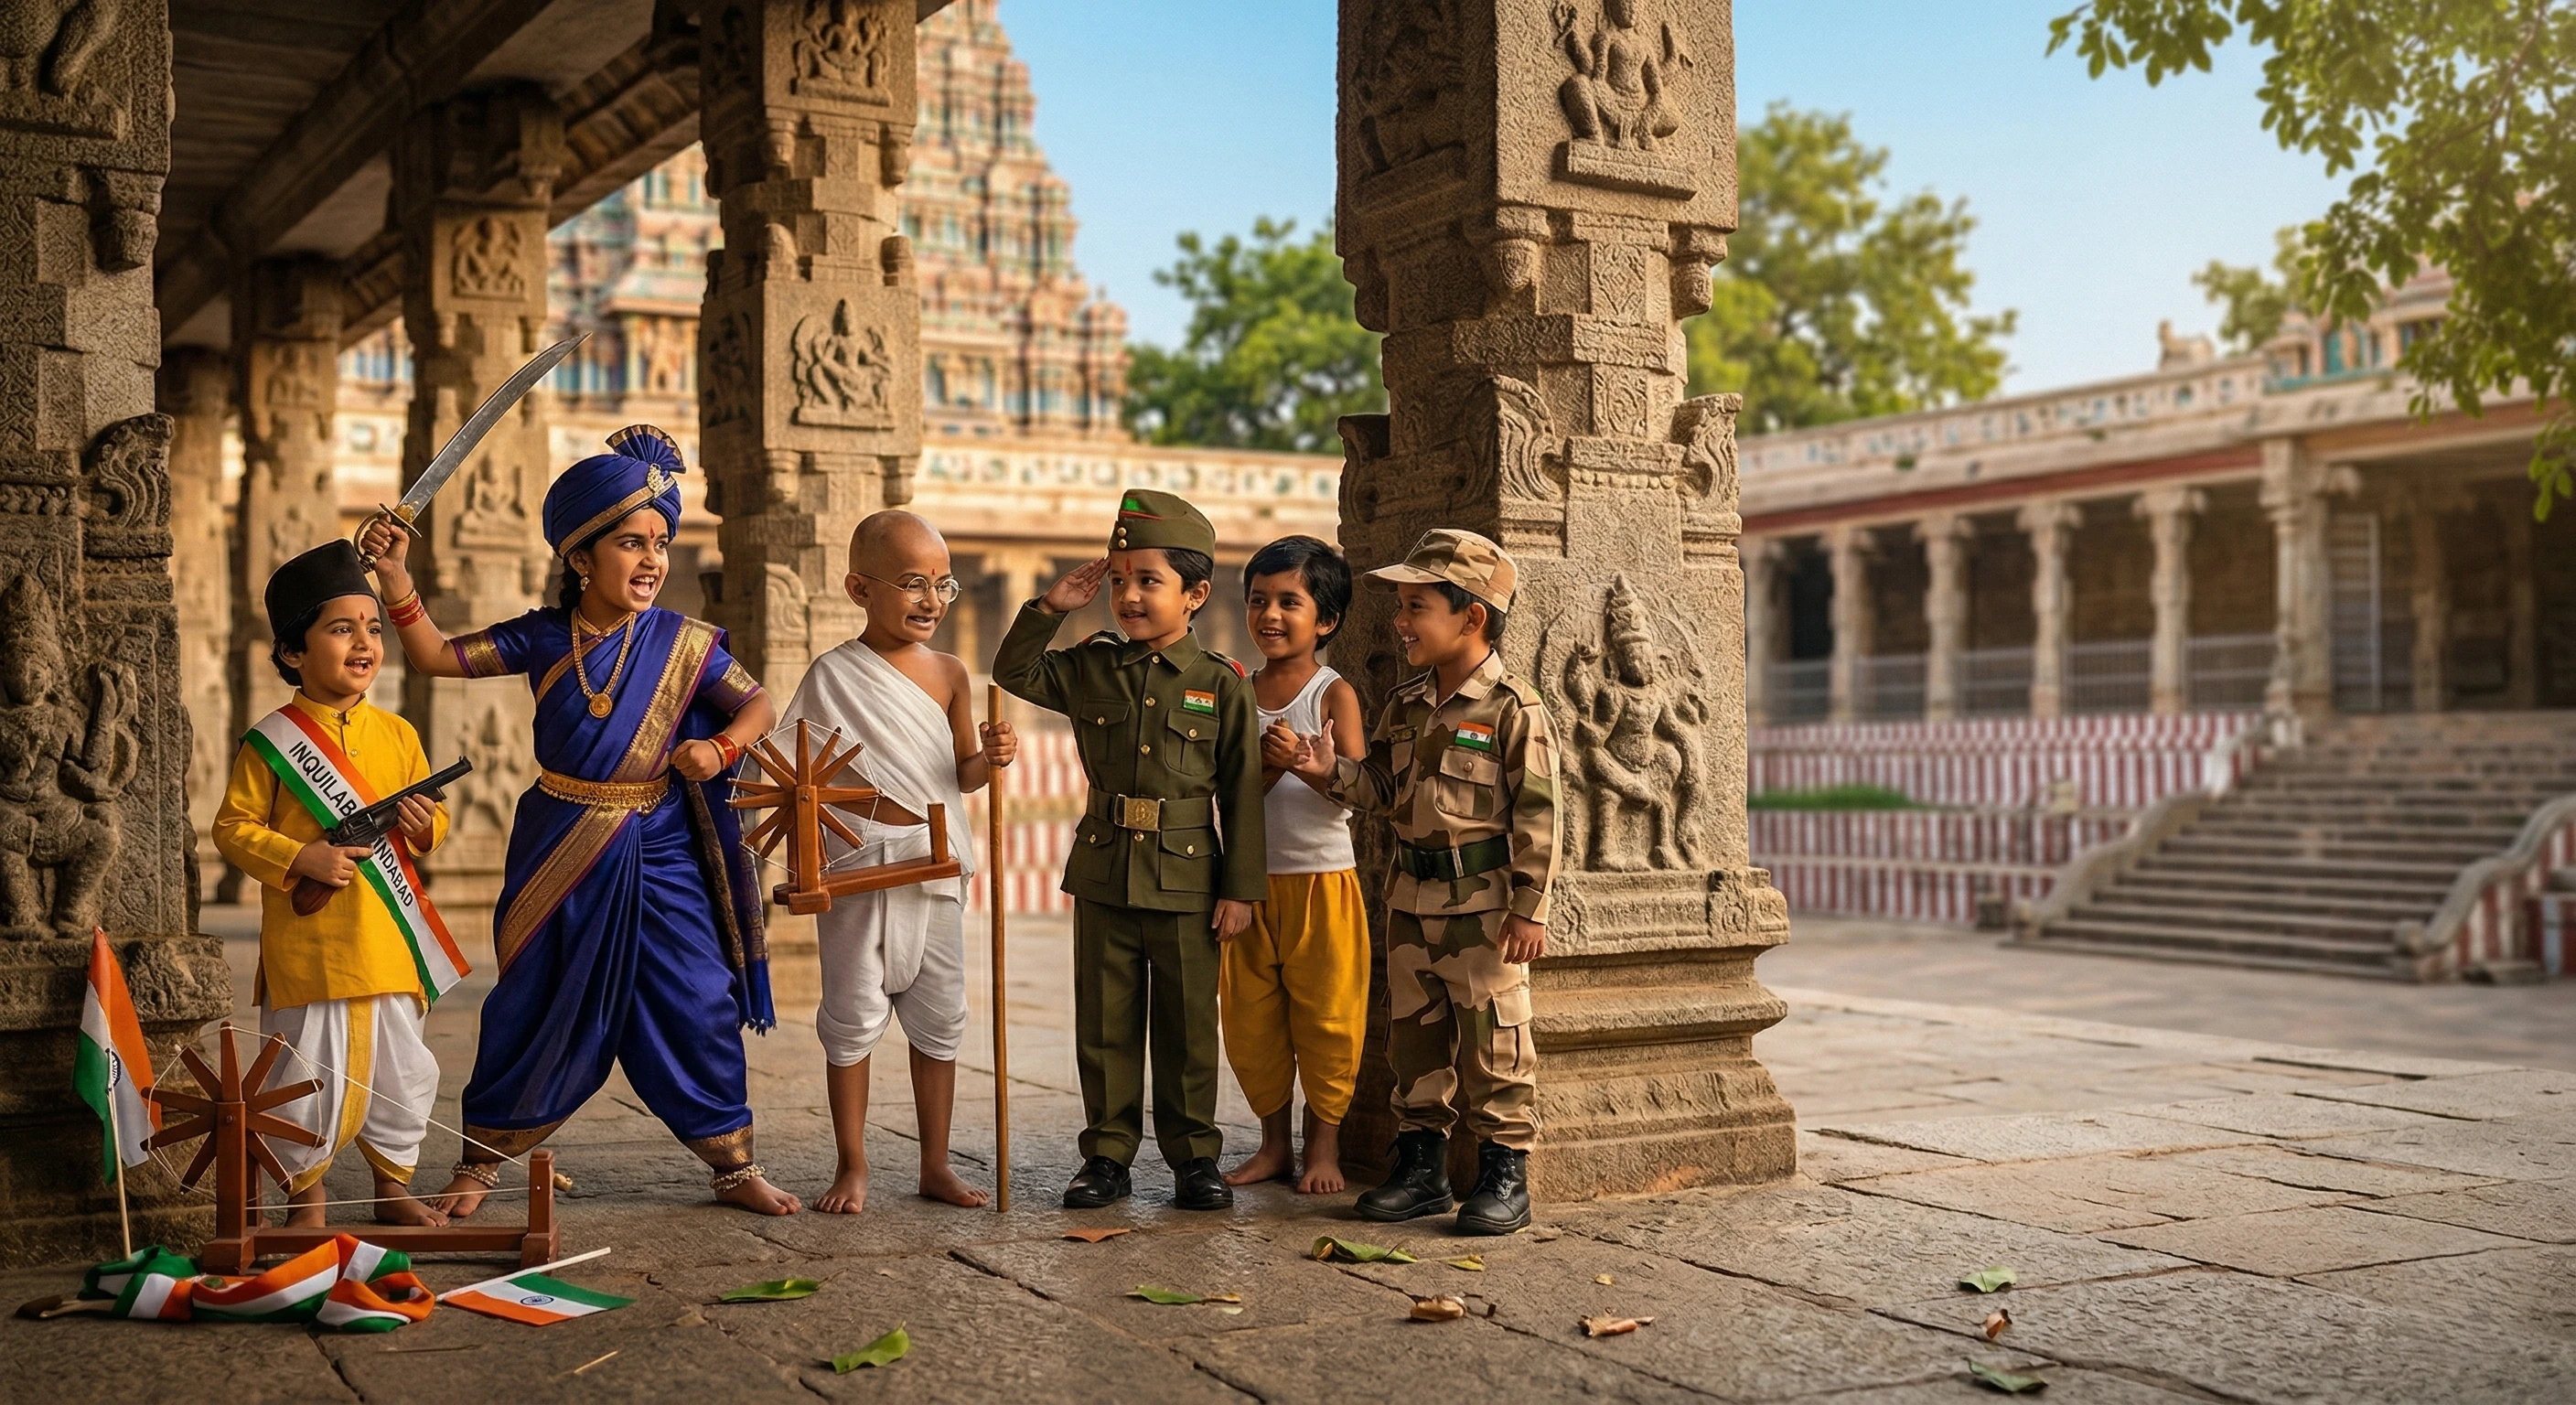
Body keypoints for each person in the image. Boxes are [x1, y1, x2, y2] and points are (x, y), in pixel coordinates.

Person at [362, 424, 799, 1217]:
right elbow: (434, 658)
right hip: (560, 839)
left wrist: (722, 746)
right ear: (580, 556)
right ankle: (484, 1160)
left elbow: (759, 703)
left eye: (661, 544)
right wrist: (396, 580)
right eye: (631, 543)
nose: (652, 561)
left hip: (661, 843)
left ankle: (733, 1164)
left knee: (696, 995)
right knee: (534, 995)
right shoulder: (538, 637)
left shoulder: (686, 643)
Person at [1278, 528, 1560, 1235]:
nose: (1399, 622)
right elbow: (1379, 788)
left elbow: (1541, 814)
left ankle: (1504, 1173)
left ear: (1472, 616)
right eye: (1400, 607)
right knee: (1415, 1046)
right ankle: (1422, 1169)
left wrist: (1531, 911)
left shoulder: (1513, 709)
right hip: (1411, 902)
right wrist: (1326, 772)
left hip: (1486, 910)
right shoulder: (1403, 705)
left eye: (1416, 607)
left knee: (1495, 1044)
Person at [992, 489, 1265, 1212]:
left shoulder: (1221, 685)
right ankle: (1107, 1157)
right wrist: (1049, 609)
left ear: (1196, 593)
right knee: (1106, 1025)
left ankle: (1194, 1159)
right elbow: (1014, 674)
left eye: (1148, 581)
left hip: (1188, 881)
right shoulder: (1091, 667)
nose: (1128, 596)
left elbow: (1241, 792)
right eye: (1118, 581)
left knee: (1186, 1029)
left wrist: (1240, 890)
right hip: (1105, 872)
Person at [776, 509, 1018, 1215]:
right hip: (858, 873)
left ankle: (935, 1163)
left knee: (940, 1020)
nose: (931, 602)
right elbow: (799, 779)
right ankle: (852, 1164)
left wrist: (990, 757)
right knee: (850, 1020)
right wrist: (805, 866)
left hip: (936, 871)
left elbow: (962, 773)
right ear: (859, 587)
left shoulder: (950, 673)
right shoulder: (833, 675)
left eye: (944, 585)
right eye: (914, 583)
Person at [212, 541, 459, 1229]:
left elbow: (435, 823)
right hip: (311, 947)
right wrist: (301, 859)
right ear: (294, 651)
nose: (364, 643)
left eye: (374, 628)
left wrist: (422, 827)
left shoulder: (399, 733)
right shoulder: (270, 742)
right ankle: (307, 1202)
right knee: (303, 1076)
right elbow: (232, 828)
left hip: (387, 942)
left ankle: (393, 1189)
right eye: (341, 628)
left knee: (401, 1072)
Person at [1221, 536, 1368, 1194]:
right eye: (1258, 600)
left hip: (1324, 881)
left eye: (1289, 601)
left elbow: (1358, 786)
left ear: (1327, 620)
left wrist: (1314, 767)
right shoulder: (1235, 691)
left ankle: (1324, 1148)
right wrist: (1267, 765)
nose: (1270, 615)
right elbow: (1223, 793)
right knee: (1253, 1019)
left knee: (1329, 1018)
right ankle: (1273, 1144)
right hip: (1249, 885)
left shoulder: (1333, 693)